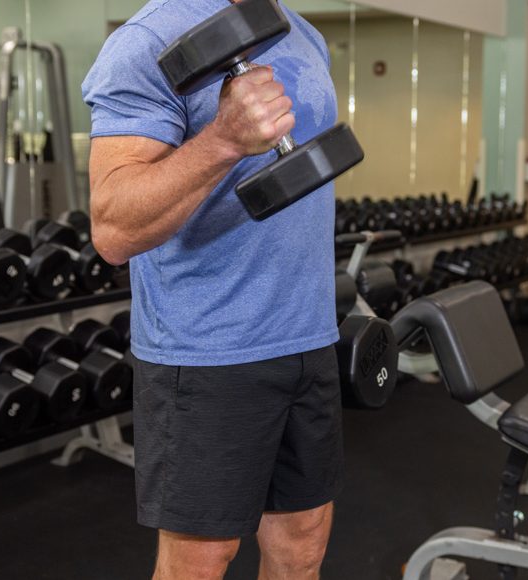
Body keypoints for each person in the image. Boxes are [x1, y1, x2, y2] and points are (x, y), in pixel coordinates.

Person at [82, 1, 343, 578]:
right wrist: (223, 138)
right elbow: (114, 228)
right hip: (209, 349)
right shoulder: (147, 40)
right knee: (201, 562)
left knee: (303, 544)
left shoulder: (301, 31)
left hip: (307, 334)